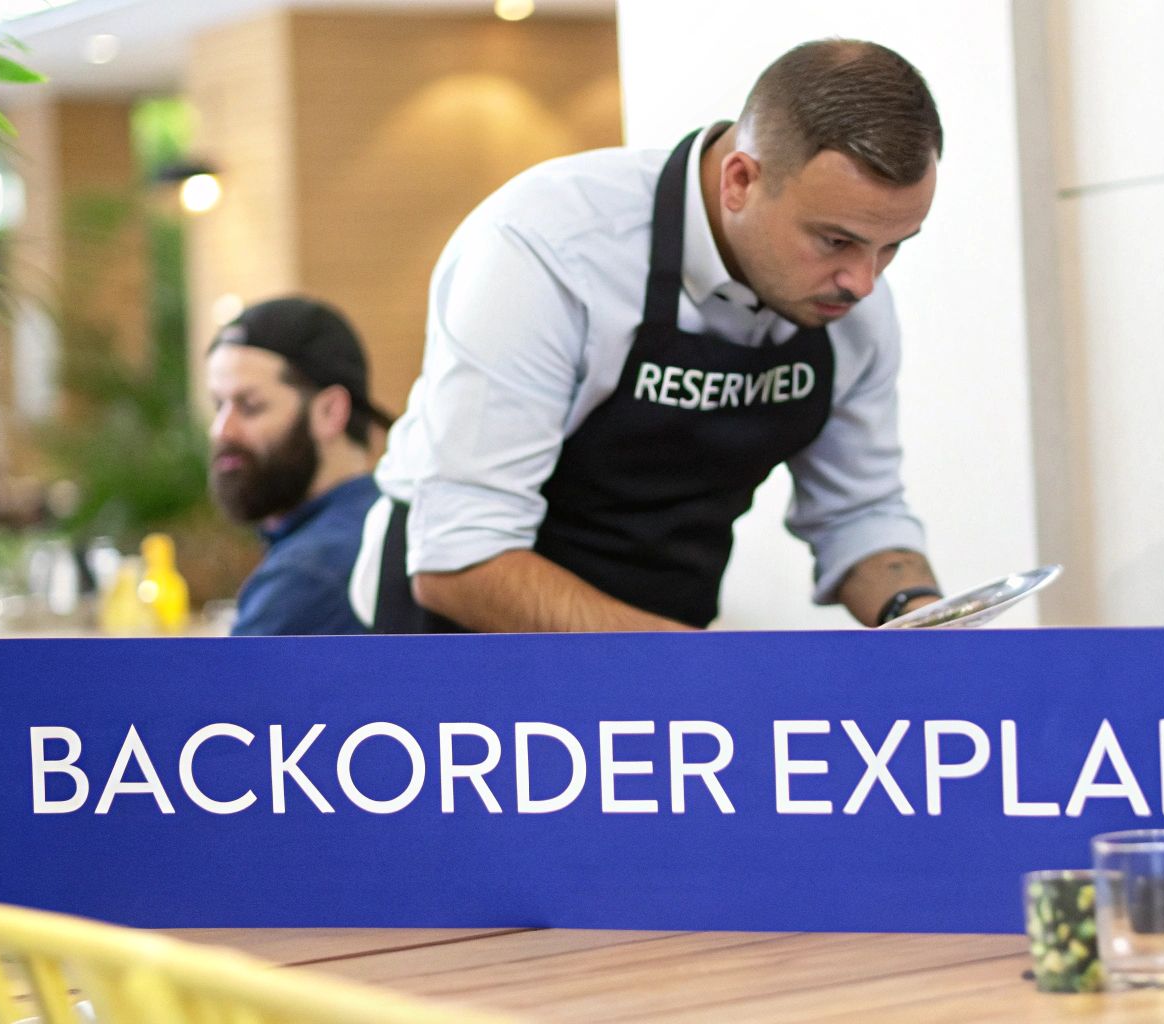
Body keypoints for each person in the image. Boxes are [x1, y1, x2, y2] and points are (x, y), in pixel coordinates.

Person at [357, 39, 950, 634]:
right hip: (461, 639)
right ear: (740, 180)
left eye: (893, 245)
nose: (864, 283)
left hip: (664, 627)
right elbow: (462, 559)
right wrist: (693, 668)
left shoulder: (852, 304)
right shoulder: (549, 247)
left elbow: (859, 513)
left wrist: (923, 620)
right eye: (835, 241)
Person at [207, 297, 388, 636]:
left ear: (330, 412)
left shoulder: (308, 575)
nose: (221, 430)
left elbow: (224, 690)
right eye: (218, 405)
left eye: (250, 406)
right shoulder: (381, 525)